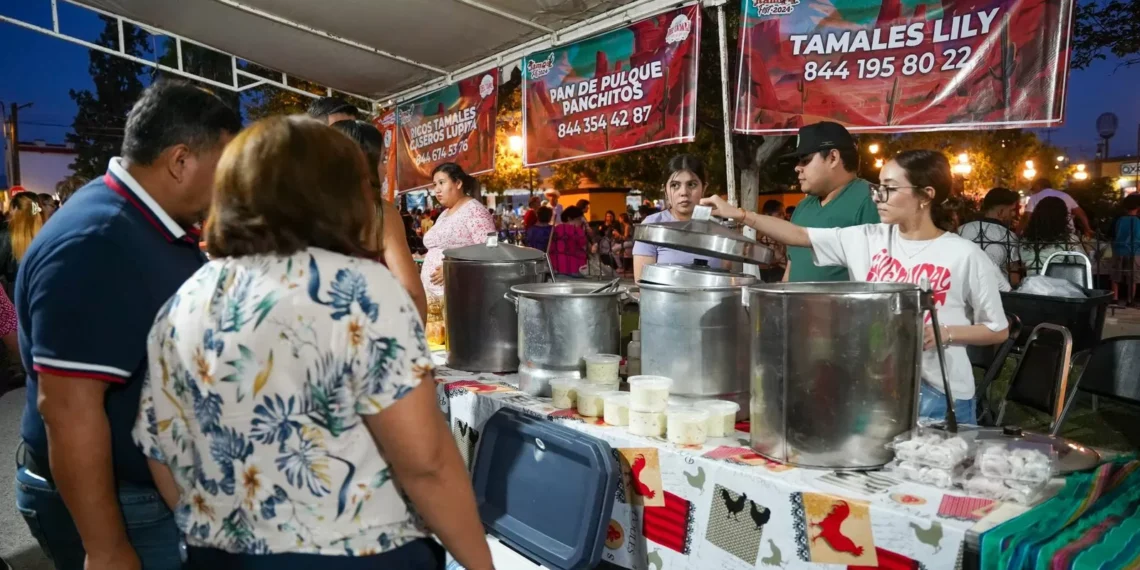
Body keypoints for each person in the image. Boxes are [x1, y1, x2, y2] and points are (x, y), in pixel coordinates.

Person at [130, 115, 492, 570]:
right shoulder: (361, 289)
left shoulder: (184, 301)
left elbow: (161, 452)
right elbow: (427, 462)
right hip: (357, 555)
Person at [14, 81, 241, 570]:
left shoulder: (147, 220)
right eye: (224, 169)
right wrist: (107, 548)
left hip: (153, 491)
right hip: (123, 507)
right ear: (181, 161)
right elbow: (70, 412)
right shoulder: (98, 243)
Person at [701, 149, 1009, 425]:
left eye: (889, 189)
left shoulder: (964, 255)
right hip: (876, 389)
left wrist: (946, 333)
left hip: (941, 397)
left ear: (925, 195)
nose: (878, 198)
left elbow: (998, 329)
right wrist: (740, 215)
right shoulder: (868, 238)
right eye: (879, 188)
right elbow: (799, 235)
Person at [330, 119, 428, 320]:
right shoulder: (380, 213)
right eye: (383, 160)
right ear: (365, 163)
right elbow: (412, 293)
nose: (385, 170)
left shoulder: (305, 213)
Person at [783, 121, 880, 282]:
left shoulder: (873, 199)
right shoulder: (802, 207)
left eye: (805, 160)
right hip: (796, 306)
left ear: (833, 158)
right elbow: (791, 268)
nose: (797, 168)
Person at [420, 163, 497, 346]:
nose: (437, 190)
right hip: (434, 300)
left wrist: (453, 268)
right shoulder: (444, 214)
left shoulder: (474, 210)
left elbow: (490, 250)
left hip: (458, 295)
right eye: (434, 185)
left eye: (441, 183)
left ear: (458, 183)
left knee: (455, 348)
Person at [632, 154, 729, 280]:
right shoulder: (651, 227)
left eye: (692, 184)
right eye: (675, 185)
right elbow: (642, 282)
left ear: (704, 188)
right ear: (665, 190)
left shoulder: (717, 229)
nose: (684, 192)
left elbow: (725, 278)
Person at [958, 188, 1022, 286]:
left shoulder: (962, 229)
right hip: (998, 292)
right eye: (1012, 210)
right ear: (1001, 212)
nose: (1013, 214)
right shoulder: (1009, 236)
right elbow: (1014, 279)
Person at [1019, 196, 1086, 276]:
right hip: (1059, 285)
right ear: (1063, 216)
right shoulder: (1069, 240)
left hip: (1032, 284)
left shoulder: (1025, 240)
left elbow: (1023, 263)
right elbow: (1083, 264)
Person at [1020, 178, 1091, 236]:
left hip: (1043, 235)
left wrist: (1020, 232)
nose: (1033, 191)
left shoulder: (1034, 198)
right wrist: (1087, 229)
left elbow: (1027, 217)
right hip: (1067, 234)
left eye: (1033, 189)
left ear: (1038, 186)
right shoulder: (1065, 195)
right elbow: (1081, 213)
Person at [1111, 193, 1140, 304]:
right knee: (1133, 276)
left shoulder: (1118, 219)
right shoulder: (1138, 220)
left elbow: (1112, 234)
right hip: (1135, 251)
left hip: (1119, 249)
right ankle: (1130, 299)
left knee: (1116, 275)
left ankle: (1115, 298)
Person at [549, 205, 589, 276]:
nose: (581, 222)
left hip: (555, 267)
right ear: (569, 218)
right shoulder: (577, 231)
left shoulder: (555, 229)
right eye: (579, 219)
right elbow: (586, 248)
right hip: (575, 267)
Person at [759, 199, 788, 282]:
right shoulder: (759, 234)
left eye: (783, 214)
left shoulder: (783, 232)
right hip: (768, 273)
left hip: (780, 272)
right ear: (767, 215)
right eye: (779, 214)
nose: (783, 217)